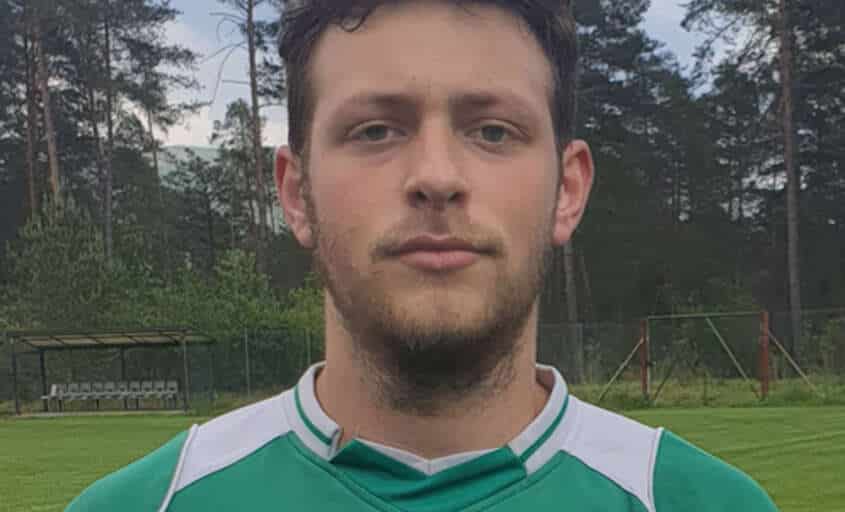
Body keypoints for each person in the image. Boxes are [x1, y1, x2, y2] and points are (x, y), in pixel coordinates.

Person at [66, 1, 779, 511]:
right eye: (376, 130)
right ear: (295, 193)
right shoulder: (146, 504)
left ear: (566, 190)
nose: (436, 176)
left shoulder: (697, 502)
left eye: (493, 131)